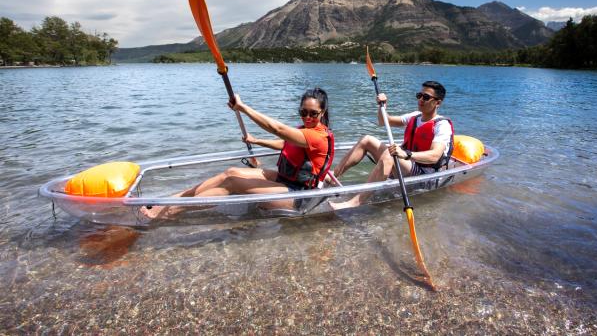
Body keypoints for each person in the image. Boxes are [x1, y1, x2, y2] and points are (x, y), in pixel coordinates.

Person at [141, 88, 334, 219]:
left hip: (299, 196)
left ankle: (169, 212)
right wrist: (256, 141)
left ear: (322, 112)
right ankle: (172, 199)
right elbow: (285, 143)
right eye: (303, 112)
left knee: (233, 183)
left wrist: (243, 108)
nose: (307, 117)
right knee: (230, 173)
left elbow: (278, 129)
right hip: (285, 180)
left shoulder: (318, 137)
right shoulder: (304, 130)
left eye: (313, 113)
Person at [330, 81, 453, 209]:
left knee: (390, 153)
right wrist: (382, 106)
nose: (421, 99)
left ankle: (354, 202)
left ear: (438, 103)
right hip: (407, 164)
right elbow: (383, 121)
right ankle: (333, 177)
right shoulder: (415, 116)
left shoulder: (442, 125)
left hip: (425, 174)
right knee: (367, 140)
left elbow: (434, 156)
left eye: (426, 97)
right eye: (419, 95)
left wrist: (406, 154)